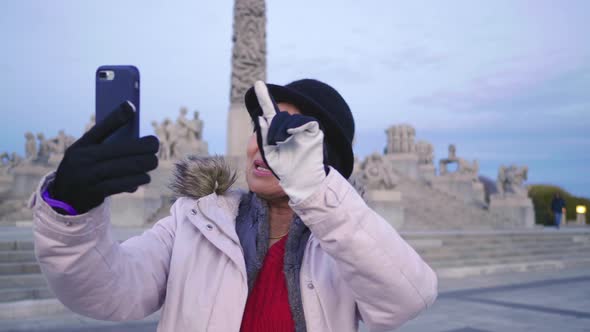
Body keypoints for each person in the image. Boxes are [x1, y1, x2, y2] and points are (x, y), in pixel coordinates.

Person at [30, 79, 437, 331]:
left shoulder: (348, 241)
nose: (265, 143)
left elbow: (407, 300)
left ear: (325, 157)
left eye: (288, 133)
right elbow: (107, 293)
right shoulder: (193, 220)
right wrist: (71, 211)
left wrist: (318, 194)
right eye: (261, 126)